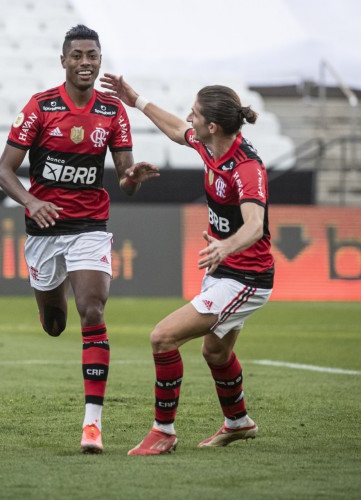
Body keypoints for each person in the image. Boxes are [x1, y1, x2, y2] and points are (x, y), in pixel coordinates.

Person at [0, 25, 159, 454]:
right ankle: (52, 302)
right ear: (64, 61)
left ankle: (92, 425)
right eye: (78, 56)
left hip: (89, 225)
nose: (87, 62)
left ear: (100, 61)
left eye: (94, 56)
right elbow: (4, 172)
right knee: (54, 324)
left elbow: (124, 179)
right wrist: (32, 202)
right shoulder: (40, 107)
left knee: (92, 308)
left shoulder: (113, 112)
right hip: (44, 231)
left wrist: (132, 177)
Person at [101, 74, 274, 456]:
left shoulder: (246, 168)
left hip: (247, 277)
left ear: (213, 126)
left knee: (162, 337)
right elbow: (177, 130)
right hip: (226, 271)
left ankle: (163, 431)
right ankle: (239, 422)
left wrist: (225, 247)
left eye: (194, 113)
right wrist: (137, 100)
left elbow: (255, 226)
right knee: (215, 353)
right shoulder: (209, 145)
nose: (188, 118)